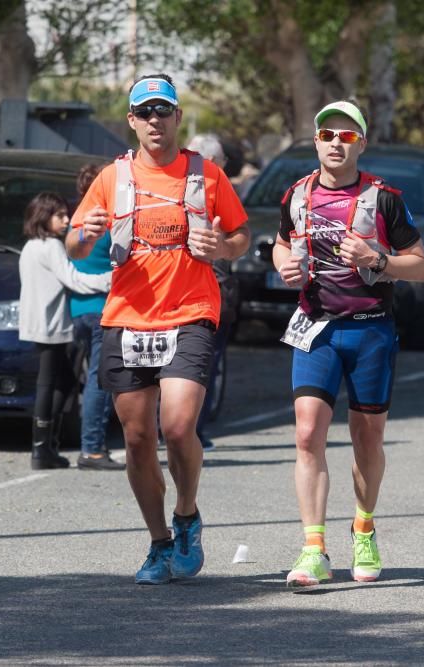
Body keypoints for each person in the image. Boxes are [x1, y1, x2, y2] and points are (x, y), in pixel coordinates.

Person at [67, 74, 250, 585]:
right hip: (126, 318)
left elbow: (239, 235)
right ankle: (158, 543)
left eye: (162, 111)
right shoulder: (112, 177)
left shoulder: (207, 175)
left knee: (176, 425)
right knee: (138, 438)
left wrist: (224, 249)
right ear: (131, 120)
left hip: (190, 311)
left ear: (177, 118)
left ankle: (187, 515)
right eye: (144, 112)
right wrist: (85, 237)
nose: (154, 120)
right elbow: (75, 245)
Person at [272, 100, 424, 587]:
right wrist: (283, 263)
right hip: (315, 327)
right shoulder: (296, 196)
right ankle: (313, 548)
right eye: (327, 136)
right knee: (306, 434)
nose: (335, 143)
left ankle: (364, 527)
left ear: (361, 143)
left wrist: (378, 259)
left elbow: (421, 267)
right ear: (315, 142)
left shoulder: (384, 199)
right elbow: (282, 242)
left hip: (369, 330)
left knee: (367, 439)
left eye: (346, 136)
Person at [18, 192, 111, 470]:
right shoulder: (51, 247)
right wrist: (110, 280)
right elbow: (74, 280)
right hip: (51, 324)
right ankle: (41, 450)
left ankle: (47, 445)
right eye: (59, 215)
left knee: (65, 382)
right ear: (43, 216)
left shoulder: (31, 246)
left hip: (35, 323)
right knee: (48, 384)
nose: (67, 220)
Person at [69, 163, 124, 471]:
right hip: (104, 308)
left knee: (88, 376)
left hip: (77, 308)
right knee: (99, 380)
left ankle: (89, 444)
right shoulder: (105, 218)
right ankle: (91, 449)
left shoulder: (79, 219)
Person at [186, 133, 238, 451]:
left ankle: (180, 429)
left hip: (194, 293)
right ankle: (194, 431)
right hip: (208, 296)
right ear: (213, 162)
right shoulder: (215, 190)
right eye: (222, 162)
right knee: (205, 363)